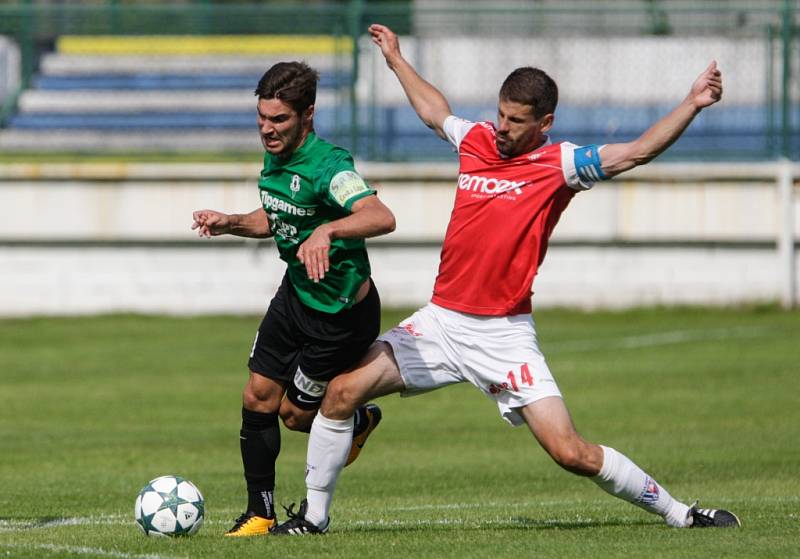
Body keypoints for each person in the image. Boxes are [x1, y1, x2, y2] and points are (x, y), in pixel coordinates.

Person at [269, 25, 741, 535]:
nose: (502, 127)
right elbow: (434, 111)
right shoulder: (476, 141)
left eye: (516, 121)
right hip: (440, 325)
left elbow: (639, 150)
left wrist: (692, 103)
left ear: (545, 122)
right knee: (340, 395)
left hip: (503, 336)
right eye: (500, 114)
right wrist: (397, 61)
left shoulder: (560, 164)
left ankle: (681, 514)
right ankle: (313, 521)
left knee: (571, 453)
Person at [191, 61, 396, 536]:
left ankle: (358, 420)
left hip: (340, 314)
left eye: (279, 120)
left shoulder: (331, 166)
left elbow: (381, 216)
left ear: (309, 115)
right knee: (257, 396)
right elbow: (278, 216)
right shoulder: (276, 157)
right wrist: (232, 223)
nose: (267, 129)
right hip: (295, 297)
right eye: (262, 118)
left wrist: (329, 229)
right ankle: (259, 513)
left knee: (294, 416)